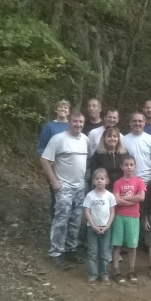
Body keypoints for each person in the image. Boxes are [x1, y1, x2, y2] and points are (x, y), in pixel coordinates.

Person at [40, 112, 92, 269]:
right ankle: (56, 253)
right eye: (75, 121)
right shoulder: (58, 139)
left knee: (76, 220)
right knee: (61, 219)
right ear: (69, 122)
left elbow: (87, 159)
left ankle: (70, 249)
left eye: (81, 122)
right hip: (64, 187)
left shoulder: (85, 139)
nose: (78, 124)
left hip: (79, 187)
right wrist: (54, 181)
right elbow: (44, 159)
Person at [111, 155, 146, 284]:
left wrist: (124, 200)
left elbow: (141, 198)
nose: (129, 167)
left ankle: (131, 270)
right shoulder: (118, 183)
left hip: (133, 216)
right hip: (119, 216)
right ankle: (116, 271)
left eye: (131, 165)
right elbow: (116, 200)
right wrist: (132, 199)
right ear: (122, 166)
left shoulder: (139, 181)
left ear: (135, 166)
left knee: (132, 245)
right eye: (126, 165)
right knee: (117, 244)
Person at [37, 99, 70, 220]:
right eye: (60, 107)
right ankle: (55, 224)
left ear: (69, 111)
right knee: (56, 196)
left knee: (69, 199)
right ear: (56, 110)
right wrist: (49, 162)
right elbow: (41, 147)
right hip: (53, 168)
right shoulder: (49, 127)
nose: (63, 109)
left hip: (69, 169)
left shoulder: (72, 126)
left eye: (65, 108)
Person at [83, 168, 116, 285]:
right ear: (93, 181)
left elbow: (112, 212)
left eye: (102, 179)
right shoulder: (89, 196)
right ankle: (92, 275)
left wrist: (107, 226)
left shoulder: (110, 196)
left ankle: (104, 275)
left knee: (104, 253)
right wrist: (93, 226)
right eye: (97, 179)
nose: (99, 181)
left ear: (107, 181)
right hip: (92, 228)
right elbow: (87, 212)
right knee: (92, 252)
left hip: (106, 229)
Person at [122, 112, 151, 184]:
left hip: (148, 182)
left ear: (144, 123)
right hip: (129, 182)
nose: (137, 123)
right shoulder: (123, 140)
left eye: (140, 121)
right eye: (134, 121)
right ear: (130, 123)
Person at [90, 126, 129, 192]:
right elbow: (94, 174)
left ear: (118, 139)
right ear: (104, 138)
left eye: (115, 136)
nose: (112, 138)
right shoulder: (98, 154)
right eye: (109, 136)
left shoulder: (124, 153)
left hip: (121, 189)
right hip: (104, 190)